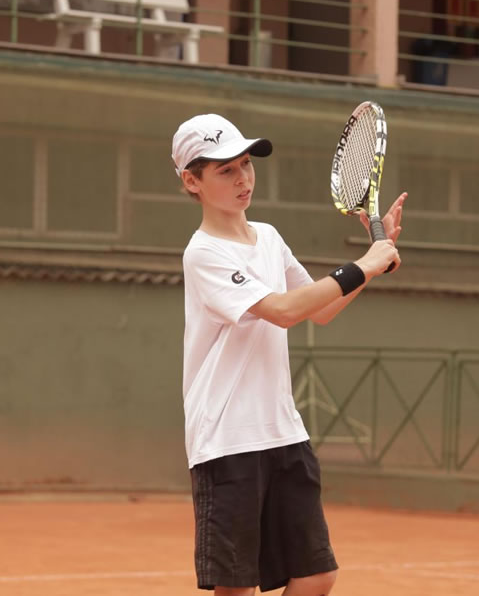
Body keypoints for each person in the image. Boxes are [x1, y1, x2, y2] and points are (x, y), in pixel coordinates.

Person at [172, 113, 405, 594]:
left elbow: (320, 309)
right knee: (237, 586)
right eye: (226, 171)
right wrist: (363, 265)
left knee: (317, 574)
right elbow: (281, 310)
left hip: (283, 433)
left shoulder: (270, 238)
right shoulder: (203, 253)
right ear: (192, 182)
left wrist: (372, 266)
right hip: (227, 440)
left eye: (246, 165)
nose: (243, 178)